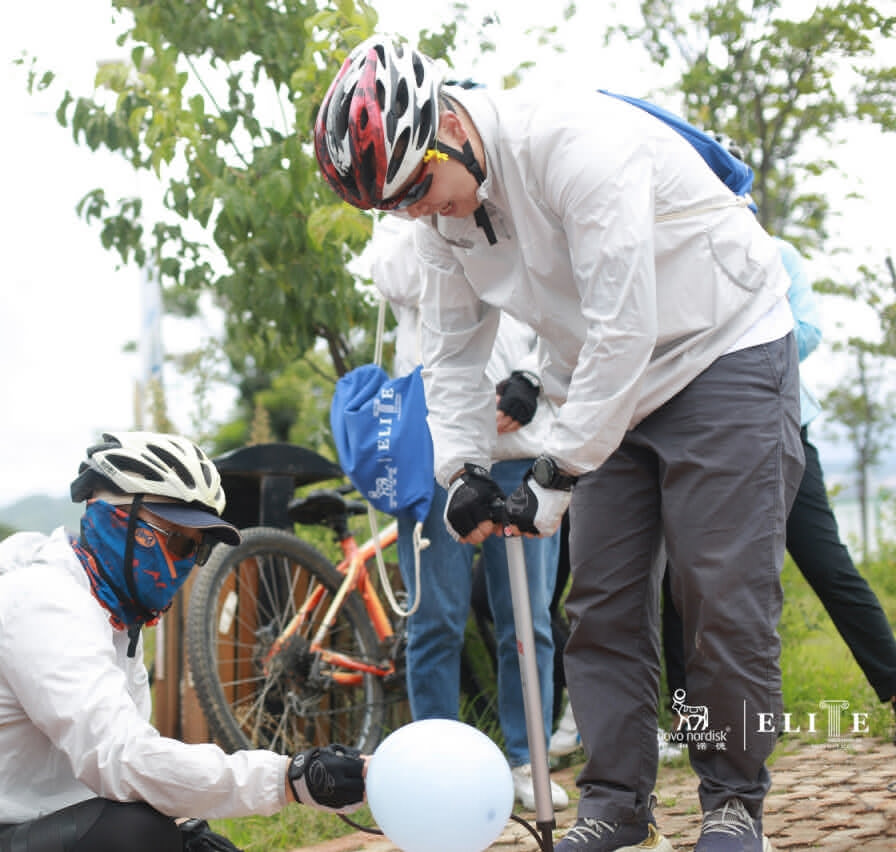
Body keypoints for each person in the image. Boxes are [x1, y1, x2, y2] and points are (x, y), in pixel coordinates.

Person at [315, 37, 803, 852]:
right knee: (601, 602)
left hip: (720, 345)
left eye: (422, 190)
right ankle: (614, 806)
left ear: (451, 129)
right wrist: (463, 468)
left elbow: (626, 324)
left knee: (719, 593)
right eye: (396, 208)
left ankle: (731, 803)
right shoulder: (439, 220)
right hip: (602, 385)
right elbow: (450, 352)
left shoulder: (575, 144)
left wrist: (560, 466)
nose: (420, 215)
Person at [0, 431, 368, 851]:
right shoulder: (44, 603)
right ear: (115, 518)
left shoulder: (113, 624)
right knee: (135, 836)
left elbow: (123, 770)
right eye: (176, 538)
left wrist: (190, 828)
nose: (184, 563)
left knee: (169, 832)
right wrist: (291, 778)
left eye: (196, 550)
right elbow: (121, 760)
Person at [370, 216, 568, 812]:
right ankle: (437, 771)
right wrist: (424, 212)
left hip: (523, 446)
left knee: (527, 620)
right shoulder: (396, 222)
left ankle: (524, 756)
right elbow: (400, 279)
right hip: (438, 455)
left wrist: (532, 378)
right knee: (436, 618)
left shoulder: (514, 204)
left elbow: (558, 300)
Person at [661, 238, 896, 738]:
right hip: (698, 435)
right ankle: (690, 717)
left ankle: (894, 688)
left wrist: (732, 340)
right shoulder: (673, 255)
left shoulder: (776, 252)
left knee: (829, 566)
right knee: (681, 576)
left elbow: (808, 332)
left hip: (779, 426)